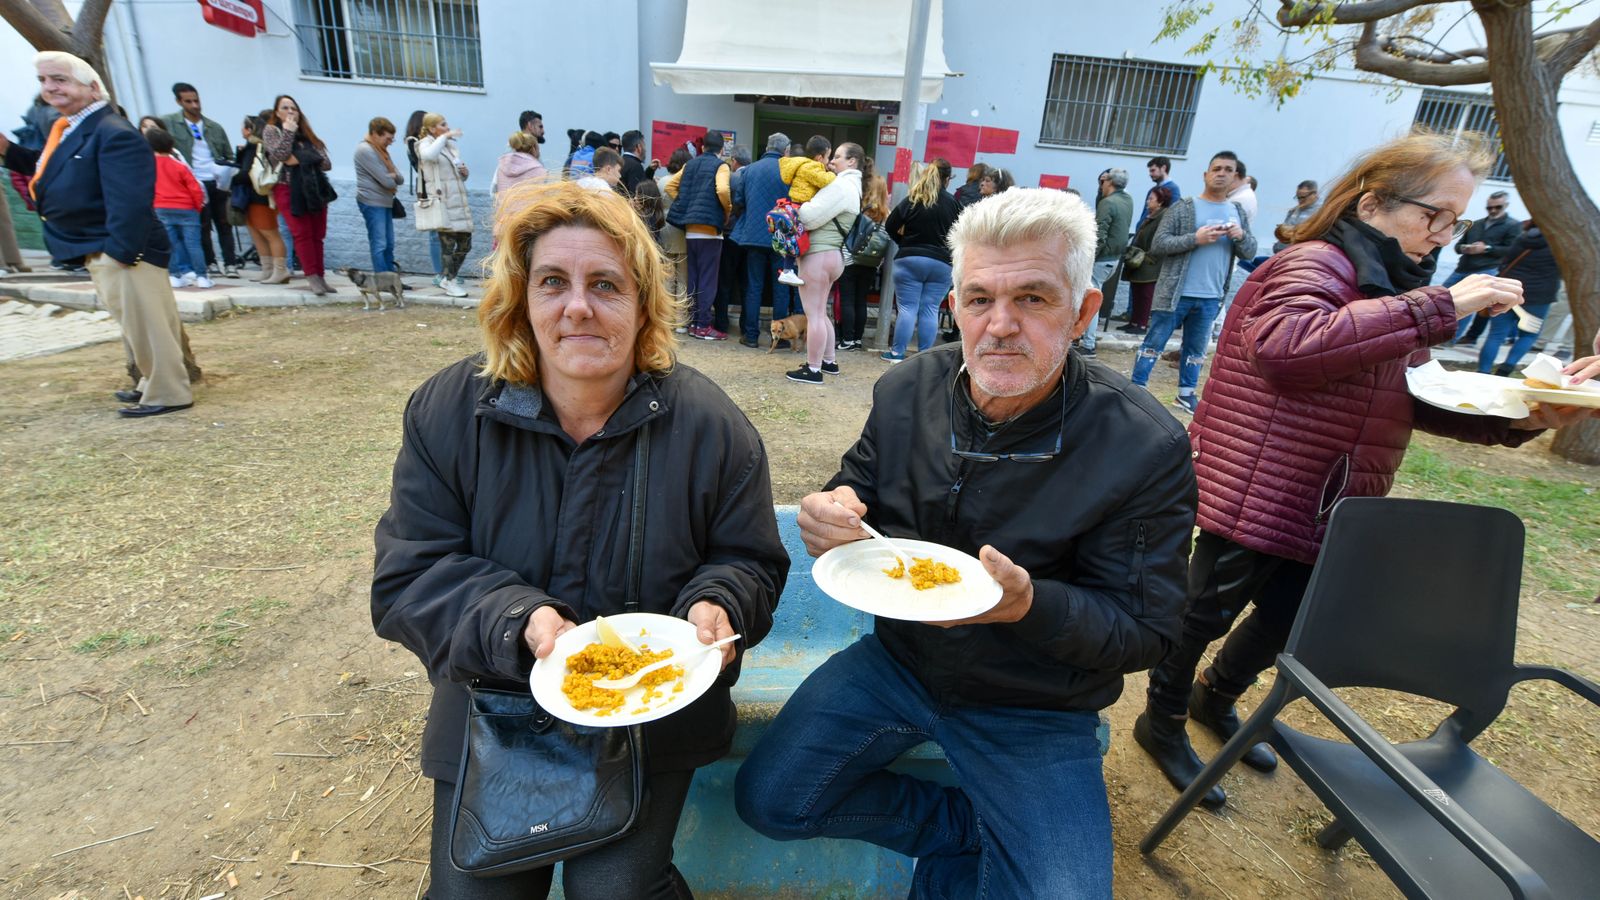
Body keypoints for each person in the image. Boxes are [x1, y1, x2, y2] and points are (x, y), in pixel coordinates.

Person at [736, 186, 1196, 898]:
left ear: (1082, 312)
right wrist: (832, 508)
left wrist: (1026, 608)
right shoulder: (908, 389)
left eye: (1034, 300)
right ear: (953, 304)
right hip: (900, 661)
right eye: (979, 299)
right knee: (772, 800)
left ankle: (1004, 846)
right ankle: (967, 831)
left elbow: (1145, 632)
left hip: (1036, 702)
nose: (1000, 326)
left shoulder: (1143, 445)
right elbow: (859, 483)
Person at [1133, 131, 1595, 811]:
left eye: (1454, 222)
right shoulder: (1315, 265)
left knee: (1292, 619)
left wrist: (1526, 416)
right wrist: (1446, 305)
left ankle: (1215, 697)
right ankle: (1162, 718)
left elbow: (1415, 393)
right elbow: (1287, 350)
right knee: (1206, 611)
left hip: (1335, 496)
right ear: (1375, 203)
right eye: (1432, 215)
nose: (1441, 236)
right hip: (1260, 482)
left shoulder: (1391, 284)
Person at [373, 180, 788, 900]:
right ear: (519, 300)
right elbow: (408, 577)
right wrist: (516, 621)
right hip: (495, 702)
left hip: (651, 712)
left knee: (617, 892)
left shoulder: (710, 428)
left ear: (643, 304)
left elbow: (748, 559)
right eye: (553, 282)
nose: (578, 307)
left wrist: (722, 604)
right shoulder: (448, 413)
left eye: (606, 284)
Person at [2, 51, 193, 417]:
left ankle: (168, 393)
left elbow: (130, 200)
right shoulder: (71, 128)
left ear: (91, 87)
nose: (49, 87)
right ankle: (151, 382)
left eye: (59, 79)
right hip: (103, 245)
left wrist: (121, 252)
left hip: (123, 247)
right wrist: (8, 151)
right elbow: (51, 168)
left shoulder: (112, 132)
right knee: (136, 324)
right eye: (43, 80)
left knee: (149, 324)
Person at [1130, 150, 1257, 415]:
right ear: (1206, 174)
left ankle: (1186, 394)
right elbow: (1159, 244)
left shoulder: (1236, 212)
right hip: (1176, 292)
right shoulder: (1184, 207)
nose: (1221, 174)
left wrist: (1241, 236)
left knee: (1197, 349)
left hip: (1211, 295)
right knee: (1154, 342)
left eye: (1228, 170)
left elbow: (1250, 251)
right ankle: (1136, 389)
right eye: (1217, 168)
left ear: (1235, 177)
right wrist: (1194, 239)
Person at [785, 142, 866, 384]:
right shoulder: (854, 186)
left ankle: (813, 369)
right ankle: (828, 361)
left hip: (818, 255)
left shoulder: (840, 185)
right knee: (821, 312)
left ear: (852, 161)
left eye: (838, 157)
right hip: (833, 256)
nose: (832, 161)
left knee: (814, 315)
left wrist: (800, 206)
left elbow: (808, 217)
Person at [880, 159, 959, 363]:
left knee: (907, 308)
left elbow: (890, 225)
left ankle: (897, 354)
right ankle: (924, 355)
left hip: (909, 259)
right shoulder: (953, 204)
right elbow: (963, 234)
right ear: (947, 179)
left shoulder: (913, 198)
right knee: (930, 309)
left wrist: (904, 243)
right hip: (941, 263)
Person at [162, 82, 239, 277]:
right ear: (179, 102)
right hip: (194, 182)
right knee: (203, 226)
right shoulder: (170, 124)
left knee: (224, 223)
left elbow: (228, 154)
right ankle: (211, 262)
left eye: (196, 100)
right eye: (189, 101)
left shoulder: (214, 127)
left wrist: (227, 172)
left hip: (217, 181)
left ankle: (231, 264)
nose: (195, 105)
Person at [729, 131, 798, 348]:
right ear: (785, 150)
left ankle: (750, 336)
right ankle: (781, 339)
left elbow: (738, 199)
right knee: (781, 288)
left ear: (767, 147)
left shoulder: (749, 170)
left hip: (753, 236)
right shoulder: (789, 171)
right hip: (781, 237)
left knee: (753, 287)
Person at [663, 129, 733, 341]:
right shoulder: (721, 165)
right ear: (721, 150)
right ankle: (703, 325)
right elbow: (722, 190)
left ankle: (693, 322)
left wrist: (687, 204)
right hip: (710, 231)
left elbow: (670, 186)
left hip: (690, 230)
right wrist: (726, 210)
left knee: (693, 278)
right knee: (708, 280)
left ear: (702, 148)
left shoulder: (690, 164)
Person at [263, 94, 336, 295]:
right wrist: (288, 132)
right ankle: (311, 276)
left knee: (318, 235)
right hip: (289, 188)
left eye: (293, 108)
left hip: (315, 186)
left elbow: (325, 162)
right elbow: (281, 156)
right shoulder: (272, 131)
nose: (290, 112)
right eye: (285, 108)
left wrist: (302, 157)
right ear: (277, 112)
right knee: (301, 233)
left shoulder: (308, 135)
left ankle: (320, 276)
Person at [1478, 220, 1559, 376]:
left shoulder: (1522, 238)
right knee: (1528, 335)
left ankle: (1483, 371)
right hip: (1539, 297)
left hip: (1510, 290)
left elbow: (1505, 261)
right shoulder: (1558, 245)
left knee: (1495, 335)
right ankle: (1506, 368)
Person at [414, 112, 474, 299]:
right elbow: (429, 156)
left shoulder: (450, 146)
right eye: (443, 125)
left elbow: (458, 174)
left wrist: (464, 172)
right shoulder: (424, 144)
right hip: (443, 202)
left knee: (465, 244)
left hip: (458, 201)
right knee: (447, 246)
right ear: (432, 128)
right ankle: (449, 279)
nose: (447, 128)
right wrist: (443, 137)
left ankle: (448, 277)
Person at [1449, 190, 1521, 344]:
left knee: (1467, 305)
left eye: (1498, 207)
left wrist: (1487, 248)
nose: (1493, 210)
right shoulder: (1477, 224)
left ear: (1506, 205)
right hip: (1463, 268)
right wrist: (1466, 249)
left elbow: (1511, 250)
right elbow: (1457, 246)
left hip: (1486, 269)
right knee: (1442, 297)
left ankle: (1450, 339)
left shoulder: (1513, 225)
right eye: (1490, 207)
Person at [146, 127, 209, 289]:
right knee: (194, 244)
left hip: (160, 207)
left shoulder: (148, 166)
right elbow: (195, 188)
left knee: (170, 243)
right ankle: (202, 277)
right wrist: (197, 207)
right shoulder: (179, 166)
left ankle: (175, 275)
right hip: (186, 208)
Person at [1079, 167, 1132, 358]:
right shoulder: (1126, 200)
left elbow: (1099, 233)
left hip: (1101, 259)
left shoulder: (1108, 203)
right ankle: (1087, 340)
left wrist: (1087, 257)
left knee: (1091, 299)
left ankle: (1089, 344)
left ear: (1107, 181)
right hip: (1114, 260)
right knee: (1094, 296)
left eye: (1103, 181)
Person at [771, 135, 837, 286]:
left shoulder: (803, 165)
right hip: (801, 205)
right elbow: (825, 181)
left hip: (796, 205)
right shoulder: (811, 167)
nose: (829, 161)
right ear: (820, 157)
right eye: (828, 157)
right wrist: (833, 173)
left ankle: (789, 270)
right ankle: (787, 271)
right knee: (796, 241)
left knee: (795, 241)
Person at [837, 172, 889, 352]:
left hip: (850, 258)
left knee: (847, 300)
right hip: (871, 262)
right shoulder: (885, 214)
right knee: (861, 301)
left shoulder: (859, 208)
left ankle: (847, 340)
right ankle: (858, 339)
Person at [236, 113, 288, 283]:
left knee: (270, 233)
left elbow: (246, 173)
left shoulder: (257, 147)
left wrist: (232, 178)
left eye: (244, 127)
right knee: (257, 234)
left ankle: (280, 270)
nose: (241, 130)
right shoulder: (251, 147)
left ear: (250, 129)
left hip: (260, 197)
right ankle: (267, 270)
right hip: (252, 198)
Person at [1117, 186, 1173, 336]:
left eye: (1151, 199)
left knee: (1145, 294)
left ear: (1160, 202)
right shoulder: (1150, 215)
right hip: (1140, 259)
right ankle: (1133, 321)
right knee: (1136, 292)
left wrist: (1148, 255)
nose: (1147, 202)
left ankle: (1141, 324)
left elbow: (1159, 239)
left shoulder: (1163, 217)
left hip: (1149, 261)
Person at [354, 116, 404, 274]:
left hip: (385, 201)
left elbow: (400, 179)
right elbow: (387, 182)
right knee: (379, 243)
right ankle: (383, 278)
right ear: (375, 134)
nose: (390, 142)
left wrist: (392, 176)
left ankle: (391, 278)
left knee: (389, 243)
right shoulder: (365, 150)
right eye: (388, 138)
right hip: (372, 202)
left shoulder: (381, 151)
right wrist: (392, 176)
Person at [492, 130, 547, 218]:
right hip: (527, 223)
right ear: (533, 148)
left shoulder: (502, 166)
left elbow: (493, 191)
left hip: (504, 222)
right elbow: (541, 201)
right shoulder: (538, 169)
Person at [1139, 156, 1182, 225]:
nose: (1150, 174)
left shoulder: (1173, 189)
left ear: (1163, 168)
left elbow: (1171, 216)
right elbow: (1145, 213)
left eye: (1153, 170)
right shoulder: (1153, 190)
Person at [619, 129, 653, 194]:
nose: (645, 149)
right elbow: (639, 194)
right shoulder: (636, 166)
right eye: (644, 145)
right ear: (638, 147)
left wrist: (650, 170)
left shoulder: (620, 162)